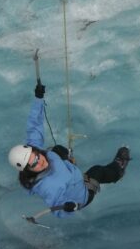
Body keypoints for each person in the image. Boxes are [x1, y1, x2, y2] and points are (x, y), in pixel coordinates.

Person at [8, 80, 130, 218]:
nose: (40, 161)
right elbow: (57, 209)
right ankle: (119, 170)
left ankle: (68, 163)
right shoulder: (49, 186)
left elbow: (34, 126)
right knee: (98, 171)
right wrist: (70, 207)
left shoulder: (36, 153)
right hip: (81, 195)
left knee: (57, 150)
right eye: (34, 164)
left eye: (37, 156)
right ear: (28, 170)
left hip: (71, 176)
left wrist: (38, 99)